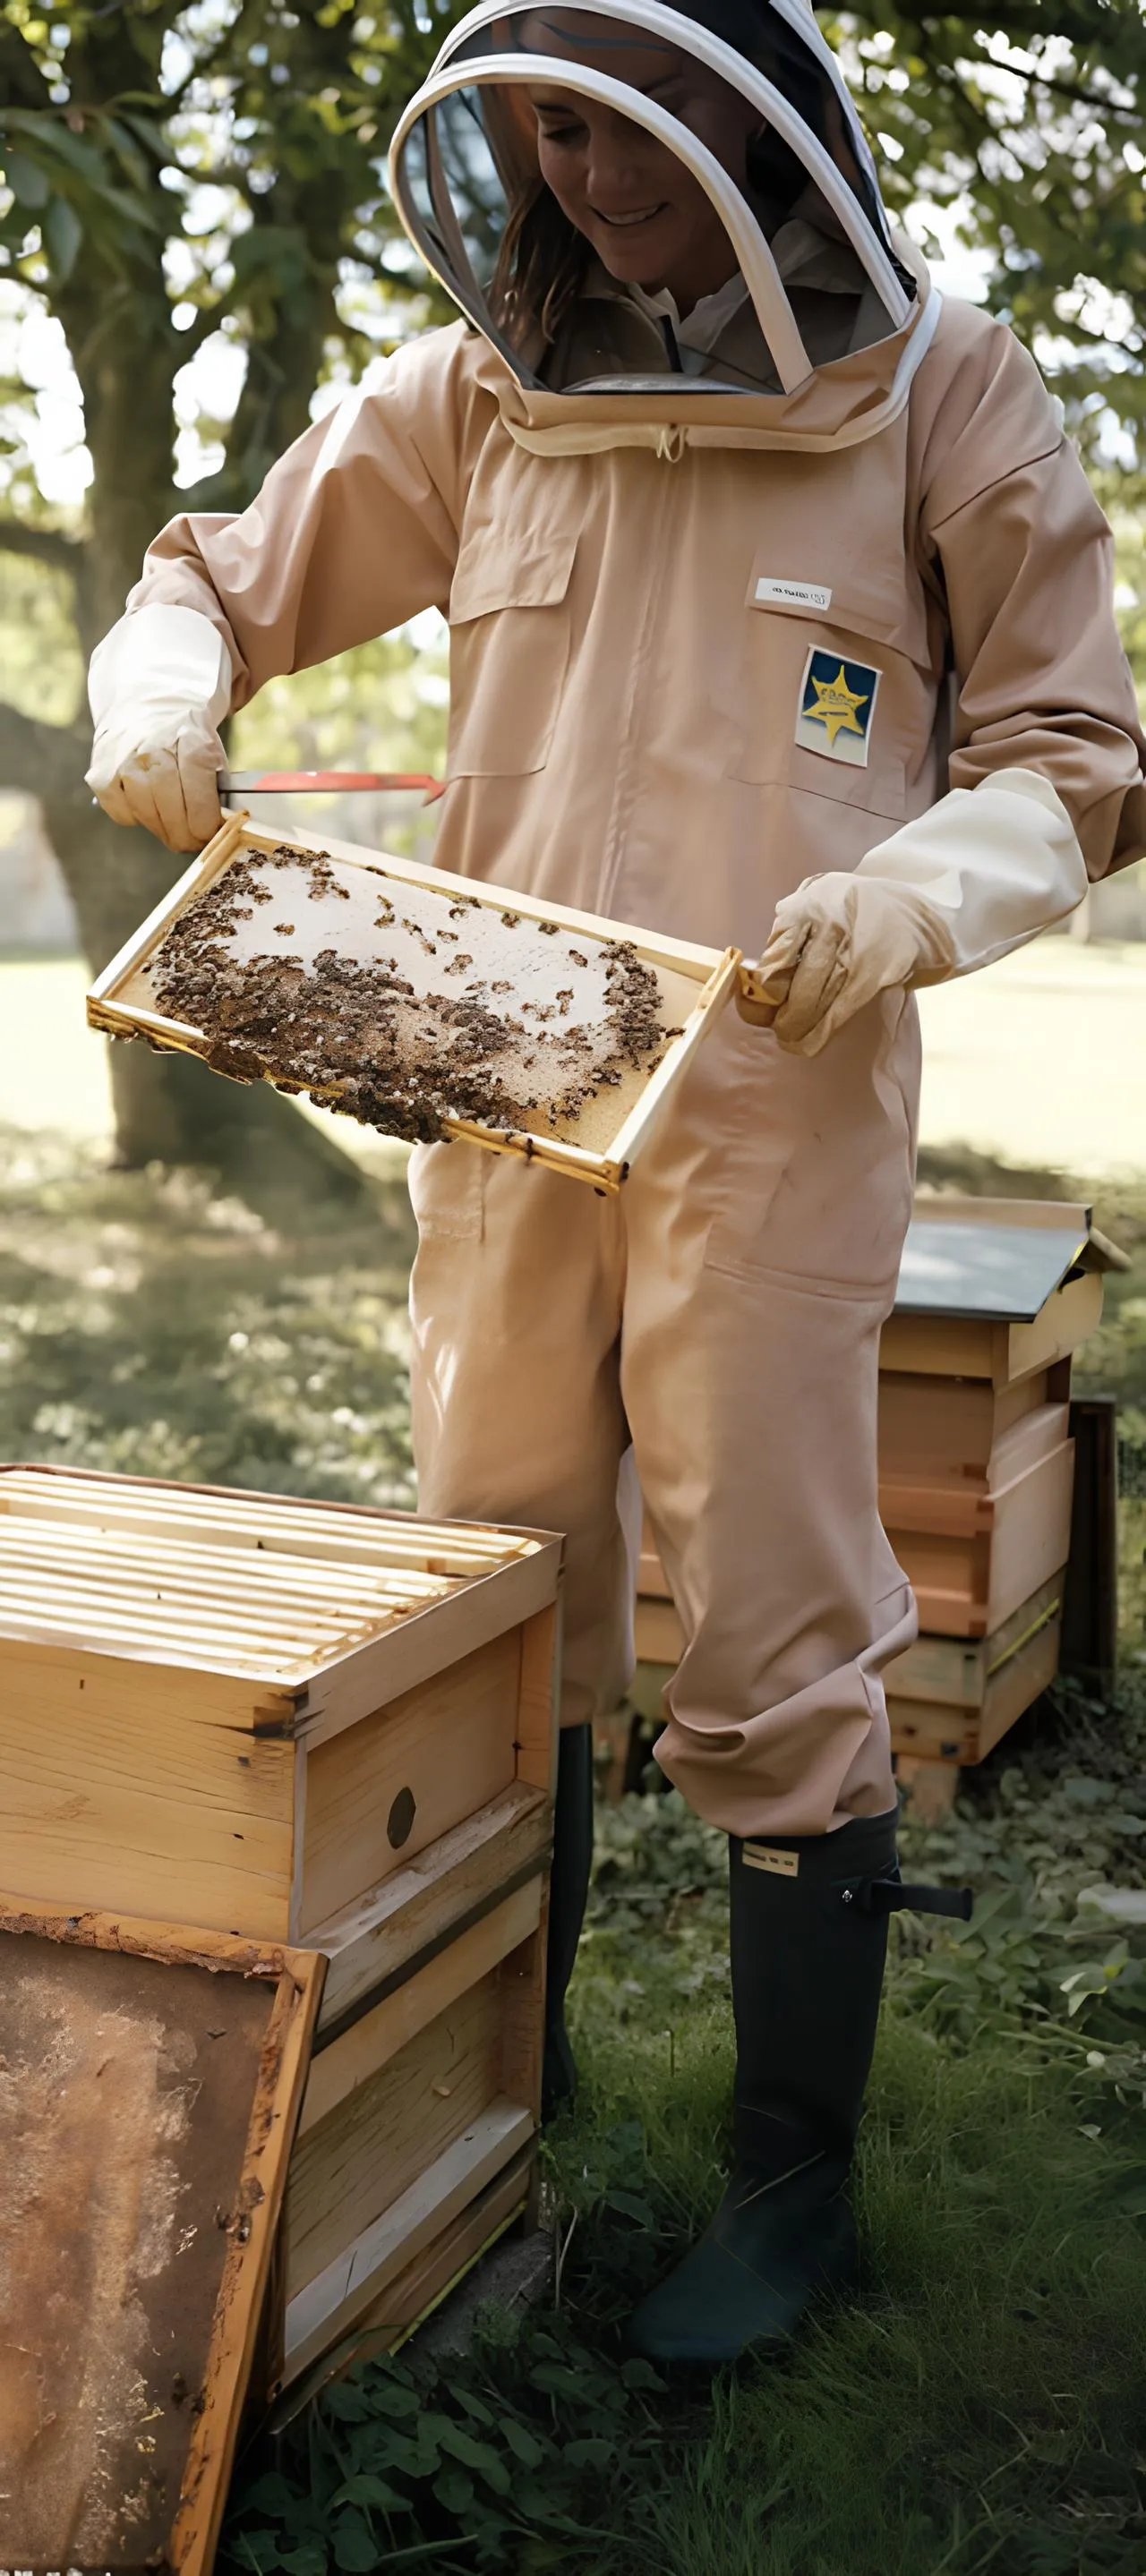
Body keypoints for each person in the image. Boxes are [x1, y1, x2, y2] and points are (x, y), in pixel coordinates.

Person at [87, 0, 1145, 2367]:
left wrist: (930, 880)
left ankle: (791, 2189)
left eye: (619, 111)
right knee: (494, 1575)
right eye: (543, 122)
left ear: (745, 105)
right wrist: (163, 694)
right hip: (490, 1074)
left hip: (773, 1101)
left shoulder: (945, 389)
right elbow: (217, 577)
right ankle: (498, 2084)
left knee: (772, 1610)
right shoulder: (473, 392)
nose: (580, 166)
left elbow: (1081, 750)